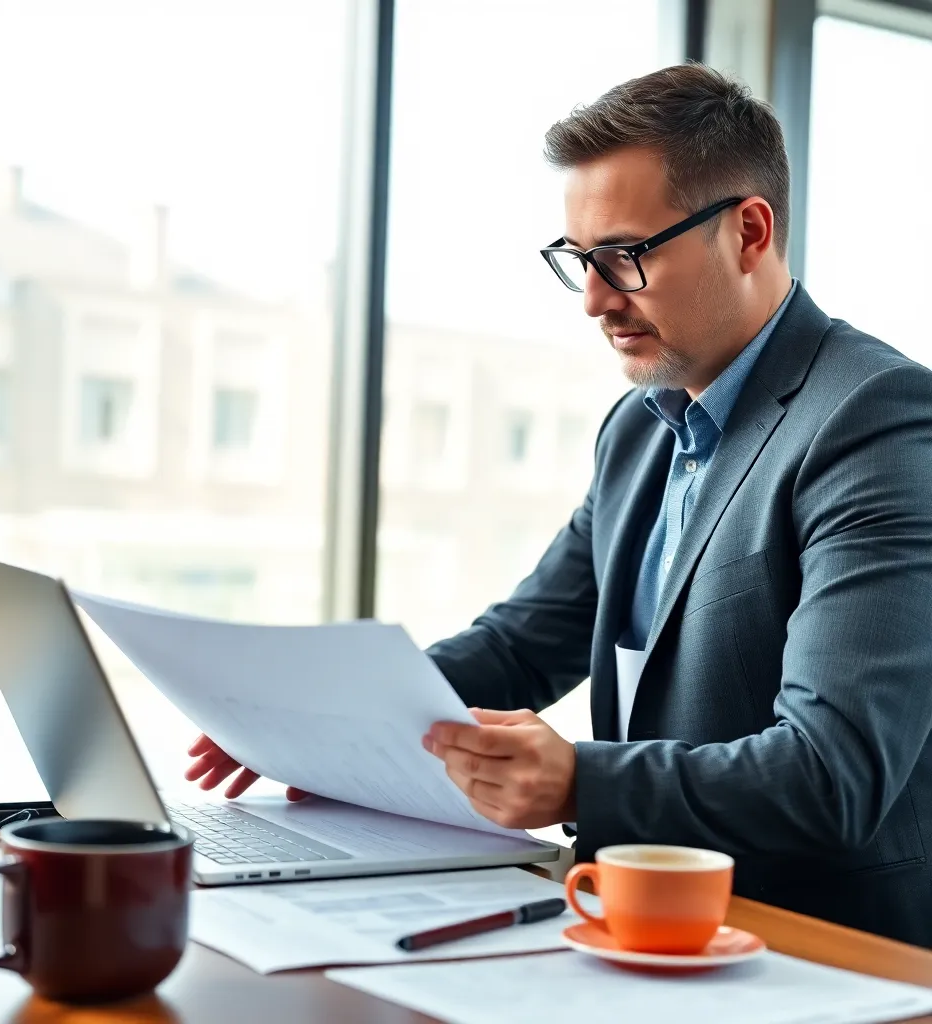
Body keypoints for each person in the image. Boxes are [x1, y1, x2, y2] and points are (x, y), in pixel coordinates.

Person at [186, 64, 932, 948]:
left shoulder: (876, 419)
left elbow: (832, 771)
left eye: (625, 257)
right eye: (580, 261)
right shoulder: (641, 428)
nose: (594, 300)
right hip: (640, 925)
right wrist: (308, 720)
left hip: (824, 951)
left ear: (748, 232)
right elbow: (523, 645)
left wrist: (578, 780)